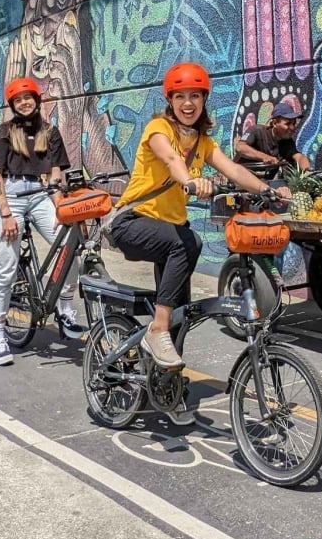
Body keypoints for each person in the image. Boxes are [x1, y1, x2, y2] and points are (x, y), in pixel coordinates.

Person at [104, 62, 290, 423]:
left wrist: (269, 190)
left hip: (168, 233)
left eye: (195, 96)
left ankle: (167, 392)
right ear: (170, 100)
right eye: (180, 97)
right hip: (131, 222)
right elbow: (171, 160)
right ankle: (155, 330)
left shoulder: (204, 142)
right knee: (187, 243)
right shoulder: (158, 128)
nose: (188, 103)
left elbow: (234, 170)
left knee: (180, 312)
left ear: (204, 100)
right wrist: (190, 180)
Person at [0, 77, 86, 367]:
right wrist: (5, 214)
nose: (25, 103)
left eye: (29, 98)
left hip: (40, 194)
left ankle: (65, 310)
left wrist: (61, 208)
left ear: (36, 100)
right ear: (13, 105)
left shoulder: (50, 132)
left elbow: (55, 173)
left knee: (69, 245)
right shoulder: (3, 132)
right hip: (9, 197)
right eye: (19, 100)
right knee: (6, 267)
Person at [233, 94, 311, 173]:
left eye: (294, 124)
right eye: (288, 124)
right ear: (274, 123)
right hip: (240, 178)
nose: (292, 128)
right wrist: (265, 157)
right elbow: (240, 148)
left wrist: (307, 171)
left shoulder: (287, 142)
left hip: (266, 182)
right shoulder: (257, 131)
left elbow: (298, 157)